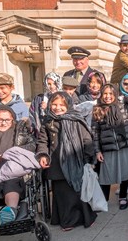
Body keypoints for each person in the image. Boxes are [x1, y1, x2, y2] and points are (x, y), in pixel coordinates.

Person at [38, 92, 97, 231]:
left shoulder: (76, 119)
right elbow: (42, 141)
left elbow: (87, 140)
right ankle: (67, 220)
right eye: (54, 104)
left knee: (77, 192)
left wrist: (90, 159)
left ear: (68, 106)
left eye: (61, 105)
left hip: (75, 161)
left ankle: (86, 218)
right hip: (56, 164)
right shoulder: (47, 122)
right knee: (62, 194)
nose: (57, 108)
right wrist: (42, 155)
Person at [91, 84, 128, 210]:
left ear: (115, 94)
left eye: (111, 94)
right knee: (105, 175)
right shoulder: (97, 109)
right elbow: (95, 132)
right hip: (107, 147)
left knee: (124, 173)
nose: (108, 97)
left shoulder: (122, 106)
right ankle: (104, 199)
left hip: (124, 145)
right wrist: (97, 151)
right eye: (105, 93)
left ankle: (123, 197)